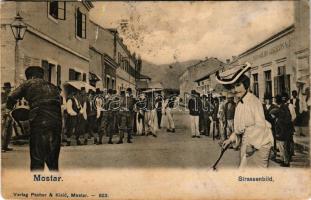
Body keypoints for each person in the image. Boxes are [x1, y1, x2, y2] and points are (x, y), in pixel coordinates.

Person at [217, 63, 273, 168]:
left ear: (245, 84)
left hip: (259, 143)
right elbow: (240, 128)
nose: (235, 90)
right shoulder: (240, 103)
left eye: (238, 85)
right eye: (232, 87)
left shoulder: (253, 101)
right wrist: (230, 139)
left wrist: (252, 145)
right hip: (248, 141)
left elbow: (260, 125)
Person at [7, 66, 62, 171]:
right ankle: (55, 180)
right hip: (56, 122)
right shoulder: (53, 86)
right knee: (53, 158)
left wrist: (10, 109)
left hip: (39, 119)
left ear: (30, 76)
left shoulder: (29, 83)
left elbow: (11, 97)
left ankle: (36, 183)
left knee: (37, 157)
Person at [271, 95, 293, 167]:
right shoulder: (282, 107)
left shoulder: (283, 108)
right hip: (284, 130)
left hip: (284, 131)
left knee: (284, 147)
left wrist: (280, 123)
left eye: (275, 100)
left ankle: (286, 162)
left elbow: (286, 120)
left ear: (278, 101)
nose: (274, 101)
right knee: (283, 147)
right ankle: (284, 160)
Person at [1, 82, 14, 152]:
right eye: (7, 88)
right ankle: (1, 147)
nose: (8, 89)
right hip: (3, 113)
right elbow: (2, 106)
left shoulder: (10, 95)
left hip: (9, 113)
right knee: (3, 131)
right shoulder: (2, 95)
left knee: (9, 131)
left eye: (9, 88)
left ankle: (5, 146)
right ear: (5, 88)